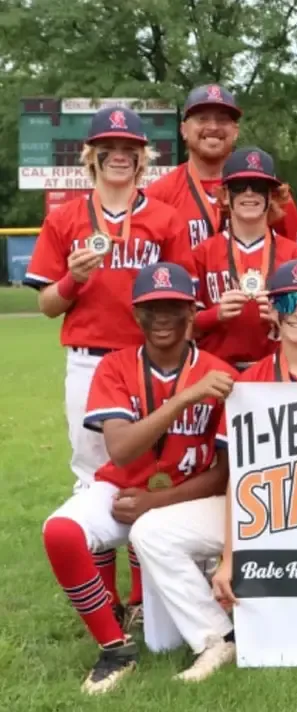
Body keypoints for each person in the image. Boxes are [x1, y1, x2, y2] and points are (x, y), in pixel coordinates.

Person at [133, 259, 297, 685]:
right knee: (151, 533)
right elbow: (238, 475)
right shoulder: (249, 385)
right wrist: (229, 558)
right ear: (273, 313)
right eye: (287, 302)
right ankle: (217, 638)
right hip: (261, 514)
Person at [24, 106, 195, 630]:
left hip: (150, 360)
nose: (119, 156)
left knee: (149, 474)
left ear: (143, 158)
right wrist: (74, 279)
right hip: (89, 361)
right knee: (91, 477)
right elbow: (47, 305)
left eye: (129, 149)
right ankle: (105, 598)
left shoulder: (163, 218)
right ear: (92, 156)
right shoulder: (66, 218)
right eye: (109, 148)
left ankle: (143, 597)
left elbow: (184, 299)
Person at [41, 262, 235, 694]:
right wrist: (185, 398)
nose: (161, 318)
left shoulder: (221, 372)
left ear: (190, 311)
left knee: (164, 643)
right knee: (60, 532)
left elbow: (224, 473)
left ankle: (213, 628)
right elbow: (121, 449)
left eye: (172, 307)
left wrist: (155, 503)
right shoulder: (115, 367)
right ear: (136, 314)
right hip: (121, 489)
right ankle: (114, 648)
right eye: (151, 309)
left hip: (182, 500)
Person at [145, 84, 297, 250]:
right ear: (184, 130)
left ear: (235, 131)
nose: (213, 127)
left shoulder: (268, 191)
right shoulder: (158, 195)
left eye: (222, 119)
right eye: (202, 118)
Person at [191, 148, 297, 370]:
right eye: (239, 187)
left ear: (271, 195)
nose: (249, 193)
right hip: (216, 370)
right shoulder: (203, 253)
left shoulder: (293, 255)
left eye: (259, 186)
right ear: (225, 195)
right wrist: (216, 314)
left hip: (276, 372)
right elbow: (185, 327)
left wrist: (282, 316)